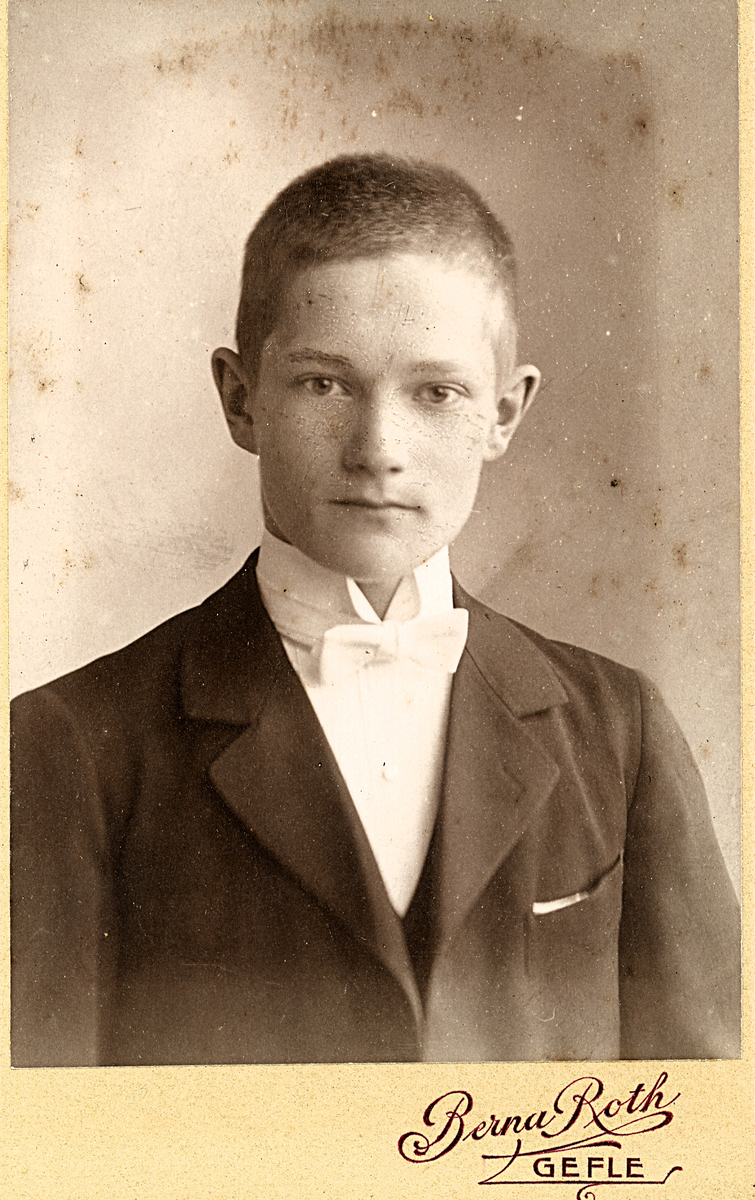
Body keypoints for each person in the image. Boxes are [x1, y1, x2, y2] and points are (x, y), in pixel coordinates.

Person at [11, 154, 740, 1067]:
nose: (378, 449)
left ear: (503, 414)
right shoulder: (71, 744)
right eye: (324, 383)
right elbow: (45, 1126)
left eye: (437, 393)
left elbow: (698, 1111)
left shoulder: (618, 731)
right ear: (240, 399)